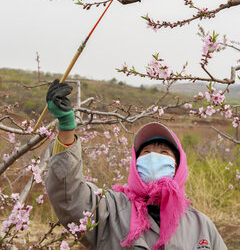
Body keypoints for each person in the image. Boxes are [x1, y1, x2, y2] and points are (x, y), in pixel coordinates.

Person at [45, 80, 227, 250]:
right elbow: (69, 196)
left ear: (178, 166)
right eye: (146, 152)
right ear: (135, 163)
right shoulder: (111, 209)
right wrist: (67, 129)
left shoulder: (201, 225)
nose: (154, 158)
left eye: (164, 153)